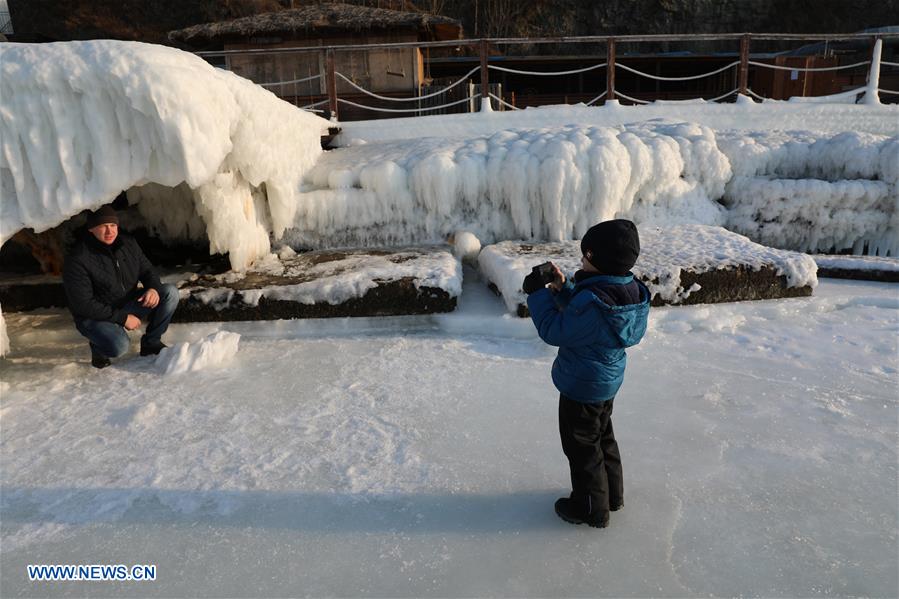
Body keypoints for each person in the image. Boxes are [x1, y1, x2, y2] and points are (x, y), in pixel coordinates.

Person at [522, 219, 650, 528]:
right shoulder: (623, 291)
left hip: (581, 386)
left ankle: (590, 508)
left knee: (581, 450)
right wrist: (561, 287)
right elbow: (584, 313)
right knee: (603, 439)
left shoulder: (594, 304)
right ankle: (612, 496)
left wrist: (537, 295)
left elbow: (556, 329)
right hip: (605, 383)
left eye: (585, 257)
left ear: (596, 260)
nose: (580, 261)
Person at [63, 205, 179, 368]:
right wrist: (122, 319)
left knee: (169, 293)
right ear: (91, 229)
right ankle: (98, 348)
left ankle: (151, 343)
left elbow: (147, 271)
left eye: (112, 225)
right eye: (103, 226)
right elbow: (83, 305)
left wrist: (152, 288)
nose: (109, 231)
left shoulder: (128, 244)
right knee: (120, 346)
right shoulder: (78, 259)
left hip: (126, 304)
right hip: (94, 317)